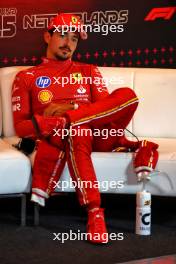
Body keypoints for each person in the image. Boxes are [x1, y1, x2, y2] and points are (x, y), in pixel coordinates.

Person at [11, 13, 159, 244]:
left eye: (74, 39)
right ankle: (95, 212)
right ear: (47, 36)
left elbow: (105, 109)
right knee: (78, 131)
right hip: (66, 135)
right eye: (62, 35)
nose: (68, 43)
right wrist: (61, 123)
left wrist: (70, 110)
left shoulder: (89, 70)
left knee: (128, 96)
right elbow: (21, 127)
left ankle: (69, 121)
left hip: (102, 134)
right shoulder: (27, 76)